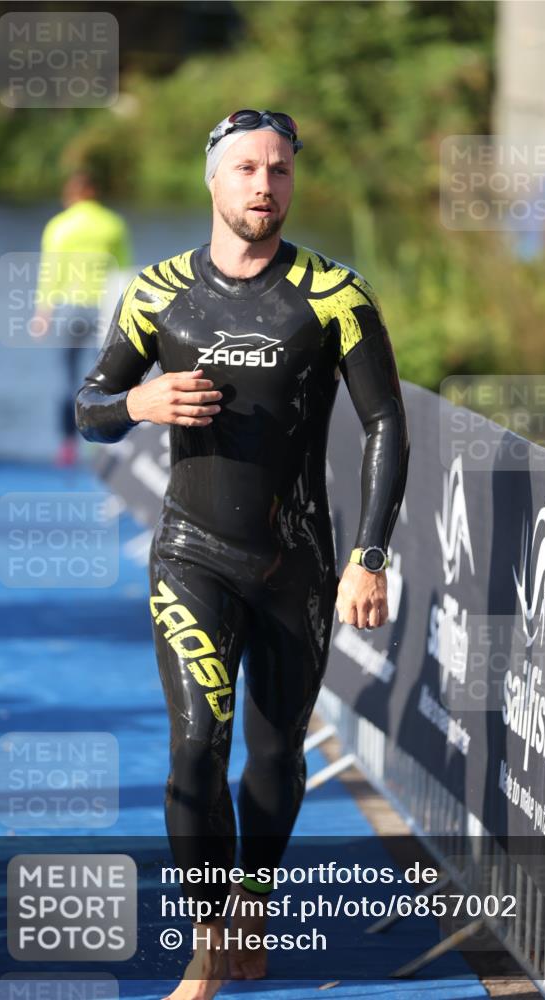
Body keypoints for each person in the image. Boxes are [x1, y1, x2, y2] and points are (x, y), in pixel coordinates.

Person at [75, 109, 410, 1000]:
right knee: (195, 747)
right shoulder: (157, 294)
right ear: (212, 181)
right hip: (192, 554)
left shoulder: (335, 294)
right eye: (247, 170)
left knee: (274, 754)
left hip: (297, 561)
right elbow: (88, 404)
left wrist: (370, 556)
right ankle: (207, 943)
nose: (265, 186)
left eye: (280, 171)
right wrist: (136, 405)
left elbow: (384, 423)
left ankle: (254, 900)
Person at [33, 169, 132, 465]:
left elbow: (50, 273)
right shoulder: (113, 224)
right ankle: (99, 442)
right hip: (104, 309)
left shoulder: (59, 226)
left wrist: (42, 312)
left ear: (71, 195)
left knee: (65, 379)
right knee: (104, 379)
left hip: (69, 309)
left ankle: (67, 446)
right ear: (94, 193)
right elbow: (124, 271)